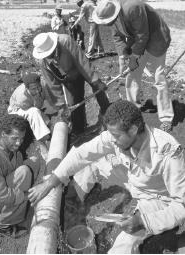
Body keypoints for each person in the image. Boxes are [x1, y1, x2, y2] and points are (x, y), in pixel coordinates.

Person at [28, 100, 185, 253]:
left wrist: (143, 221)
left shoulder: (168, 154)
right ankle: (74, 205)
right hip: (133, 180)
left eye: (116, 136)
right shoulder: (117, 136)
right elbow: (81, 154)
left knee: (124, 244)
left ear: (133, 130)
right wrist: (50, 182)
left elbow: (181, 206)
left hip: (157, 197)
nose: (112, 140)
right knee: (92, 162)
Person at [92, 0, 174, 132]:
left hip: (156, 38)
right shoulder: (111, 16)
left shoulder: (132, 7)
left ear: (115, 13)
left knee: (159, 77)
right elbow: (117, 37)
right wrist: (122, 56)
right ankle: (133, 108)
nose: (107, 24)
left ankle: (166, 117)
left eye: (108, 22)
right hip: (138, 40)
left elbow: (143, 35)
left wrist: (134, 58)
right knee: (132, 74)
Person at [32, 32, 110, 136]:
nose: (49, 56)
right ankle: (80, 129)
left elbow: (82, 62)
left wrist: (96, 80)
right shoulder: (43, 63)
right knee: (73, 104)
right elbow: (53, 85)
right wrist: (61, 106)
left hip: (78, 69)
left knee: (98, 88)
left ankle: (108, 114)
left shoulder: (65, 41)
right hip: (66, 78)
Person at [8, 70, 50, 160]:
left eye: (38, 87)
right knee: (35, 113)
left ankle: (45, 135)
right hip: (16, 111)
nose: (38, 90)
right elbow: (35, 109)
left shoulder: (42, 85)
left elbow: (52, 100)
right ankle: (41, 144)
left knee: (47, 121)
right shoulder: (22, 97)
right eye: (34, 89)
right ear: (27, 89)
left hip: (33, 108)